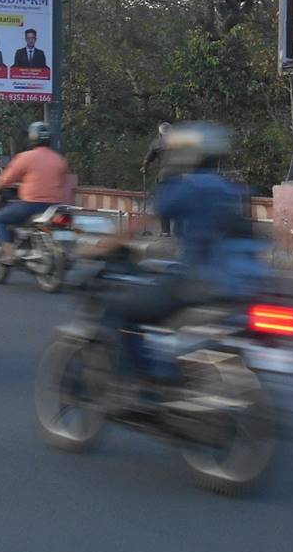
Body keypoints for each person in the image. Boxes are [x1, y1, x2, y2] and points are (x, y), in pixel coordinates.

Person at [91, 123, 271, 381]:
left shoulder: (188, 188)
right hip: (247, 285)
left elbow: (141, 222)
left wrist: (100, 246)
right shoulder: (237, 191)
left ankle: (139, 383)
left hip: (201, 281)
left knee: (122, 309)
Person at [0, 121, 68, 264]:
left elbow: (7, 179)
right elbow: (62, 183)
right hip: (54, 207)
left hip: (31, 205)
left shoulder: (26, 157)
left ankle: (9, 255)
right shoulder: (59, 159)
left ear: (32, 138)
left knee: (0, 219)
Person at [140, 122, 174, 235]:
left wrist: (144, 168)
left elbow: (147, 160)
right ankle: (181, 231)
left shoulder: (157, 143)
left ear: (160, 133)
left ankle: (165, 231)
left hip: (164, 177)